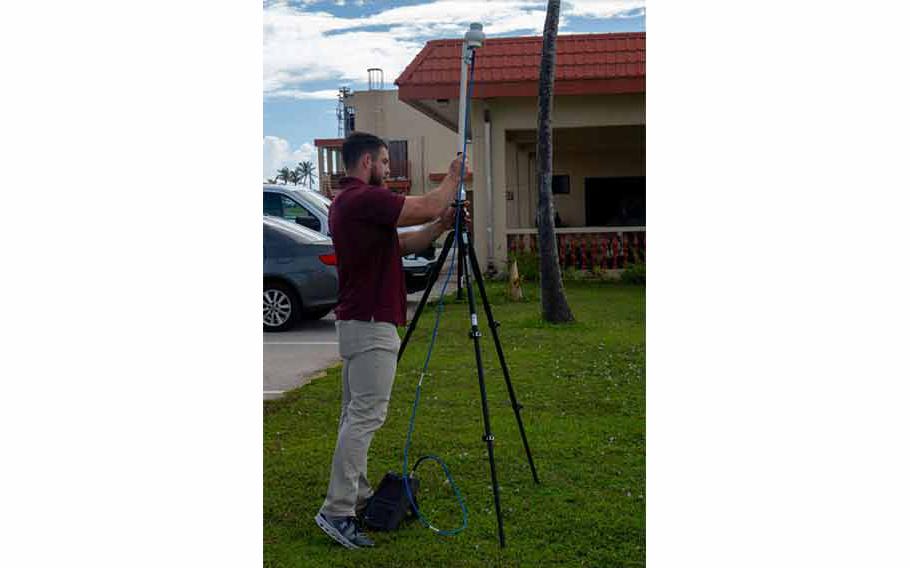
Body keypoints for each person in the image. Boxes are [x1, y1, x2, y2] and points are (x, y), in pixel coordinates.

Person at [314, 131, 469, 549]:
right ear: (366, 162)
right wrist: (453, 177)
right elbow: (427, 203)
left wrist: (439, 226)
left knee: (355, 416)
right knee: (365, 417)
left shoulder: (348, 204)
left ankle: (356, 493)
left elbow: (401, 244)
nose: (388, 169)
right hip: (370, 323)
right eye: (384, 162)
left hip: (360, 321)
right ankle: (337, 511)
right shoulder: (362, 198)